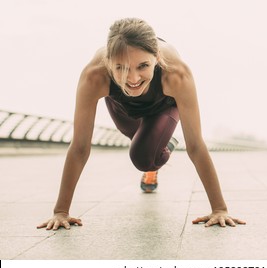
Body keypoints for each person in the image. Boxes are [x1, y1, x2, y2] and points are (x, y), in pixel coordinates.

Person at [37, 18, 246, 231]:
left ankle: (161, 147)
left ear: (156, 58)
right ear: (108, 63)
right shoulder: (94, 76)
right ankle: (155, 144)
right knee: (139, 141)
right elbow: (80, 146)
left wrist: (219, 208)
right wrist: (60, 212)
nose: (133, 78)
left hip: (163, 107)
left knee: (142, 157)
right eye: (121, 68)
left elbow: (195, 146)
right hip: (123, 108)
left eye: (143, 66)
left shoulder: (176, 74)